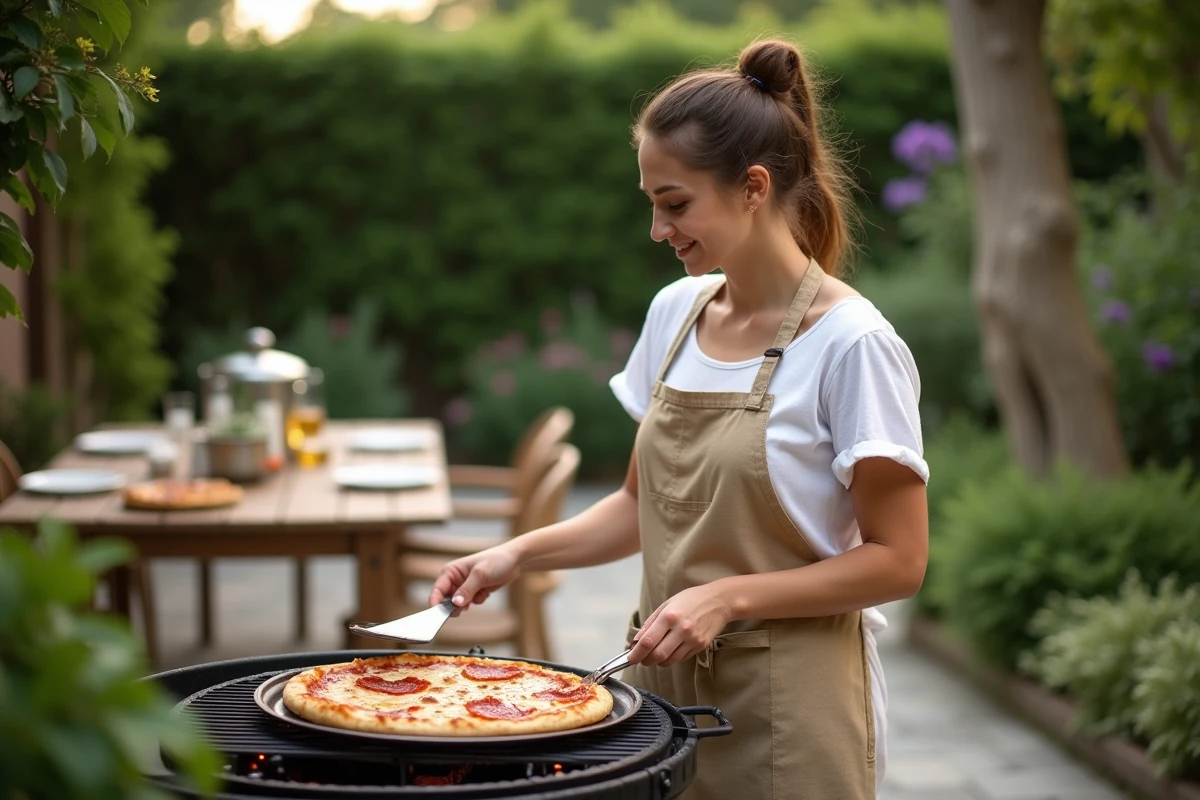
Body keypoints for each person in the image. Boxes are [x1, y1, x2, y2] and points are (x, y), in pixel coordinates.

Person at [431, 38, 930, 800]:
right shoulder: (675, 314)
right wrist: (514, 556)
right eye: (652, 204)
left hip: (791, 710)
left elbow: (899, 560)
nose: (659, 231)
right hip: (659, 694)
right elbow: (638, 506)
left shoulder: (852, 346)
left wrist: (727, 596)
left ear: (754, 187)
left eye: (675, 205)